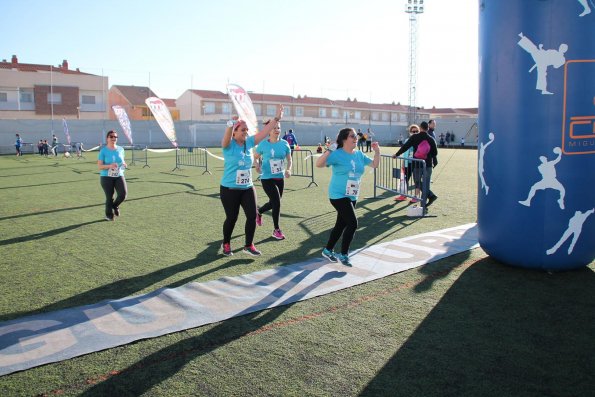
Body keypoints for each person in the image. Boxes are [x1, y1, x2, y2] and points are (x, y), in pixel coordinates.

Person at [220, 104, 284, 257]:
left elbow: (265, 132)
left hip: (247, 187)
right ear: (235, 132)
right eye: (243, 130)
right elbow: (225, 138)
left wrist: (276, 118)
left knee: (252, 215)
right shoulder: (228, 146)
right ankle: (226, 243)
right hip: (229, 189)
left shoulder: (249, 143)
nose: (246, 132)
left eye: (247, 129)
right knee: (232, 217)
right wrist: (231, 124)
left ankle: (248, 245)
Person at [316, 128, 380, 266]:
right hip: (338, 195)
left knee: (340, 225)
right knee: (353, 223)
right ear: (344, 139)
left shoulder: (359, 154)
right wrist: (330, 150)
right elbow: (319, 164)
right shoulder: (337, 154)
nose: (356, 138)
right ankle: (344, 254)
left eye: (356, 136)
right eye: (352, 136)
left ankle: (327, 250)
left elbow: (374, 164)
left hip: (352, 195)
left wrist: (377, 152)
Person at [254, 118, 292, 240]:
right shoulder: (263, 144)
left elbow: (289, 159)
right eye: (274, 128)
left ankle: (259, 212)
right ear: (269, 130)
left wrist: (288, 169)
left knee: (273, 202)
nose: (277, 130)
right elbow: (255, 157)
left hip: (279, 177)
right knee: (277, 202)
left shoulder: (285, 144)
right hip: (266, 177)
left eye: (278, 128)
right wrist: (257, 165)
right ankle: (276, 230)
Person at [394, 121, 438, 211]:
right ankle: (424, 204)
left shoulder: (415, 137)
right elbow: (435, 153)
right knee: (426, 184)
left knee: (418, 182)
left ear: (420, 128)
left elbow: (405, 147)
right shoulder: (431, 139)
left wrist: (397, 154)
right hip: (428, 164)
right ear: (427, 128)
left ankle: (431, 196)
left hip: (417, 164)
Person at [97, 130, 127, 221]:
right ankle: (109, 215)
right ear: (107, 138)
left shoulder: (121, 149)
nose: (114, 138)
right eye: (111, 136)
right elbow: (100, 166)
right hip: (106, 177)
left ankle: (115, 206)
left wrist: (124, 164)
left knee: (123, 194)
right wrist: (110, 166)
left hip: (119, 175)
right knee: (109, 197)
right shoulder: (103, 151)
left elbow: (122, 161)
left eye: (115, 137)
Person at [394, 125, 419, 201]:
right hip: (407, 163)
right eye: (413, 131)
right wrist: (403, 162)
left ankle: (416, 197)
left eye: (416, 131)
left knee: (416, 181)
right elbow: (404, 151)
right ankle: (403, 195)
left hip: (416, 163)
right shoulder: (407, 140)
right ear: (410, 132)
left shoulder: (419, 140)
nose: (414, 133)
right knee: (405, 180)